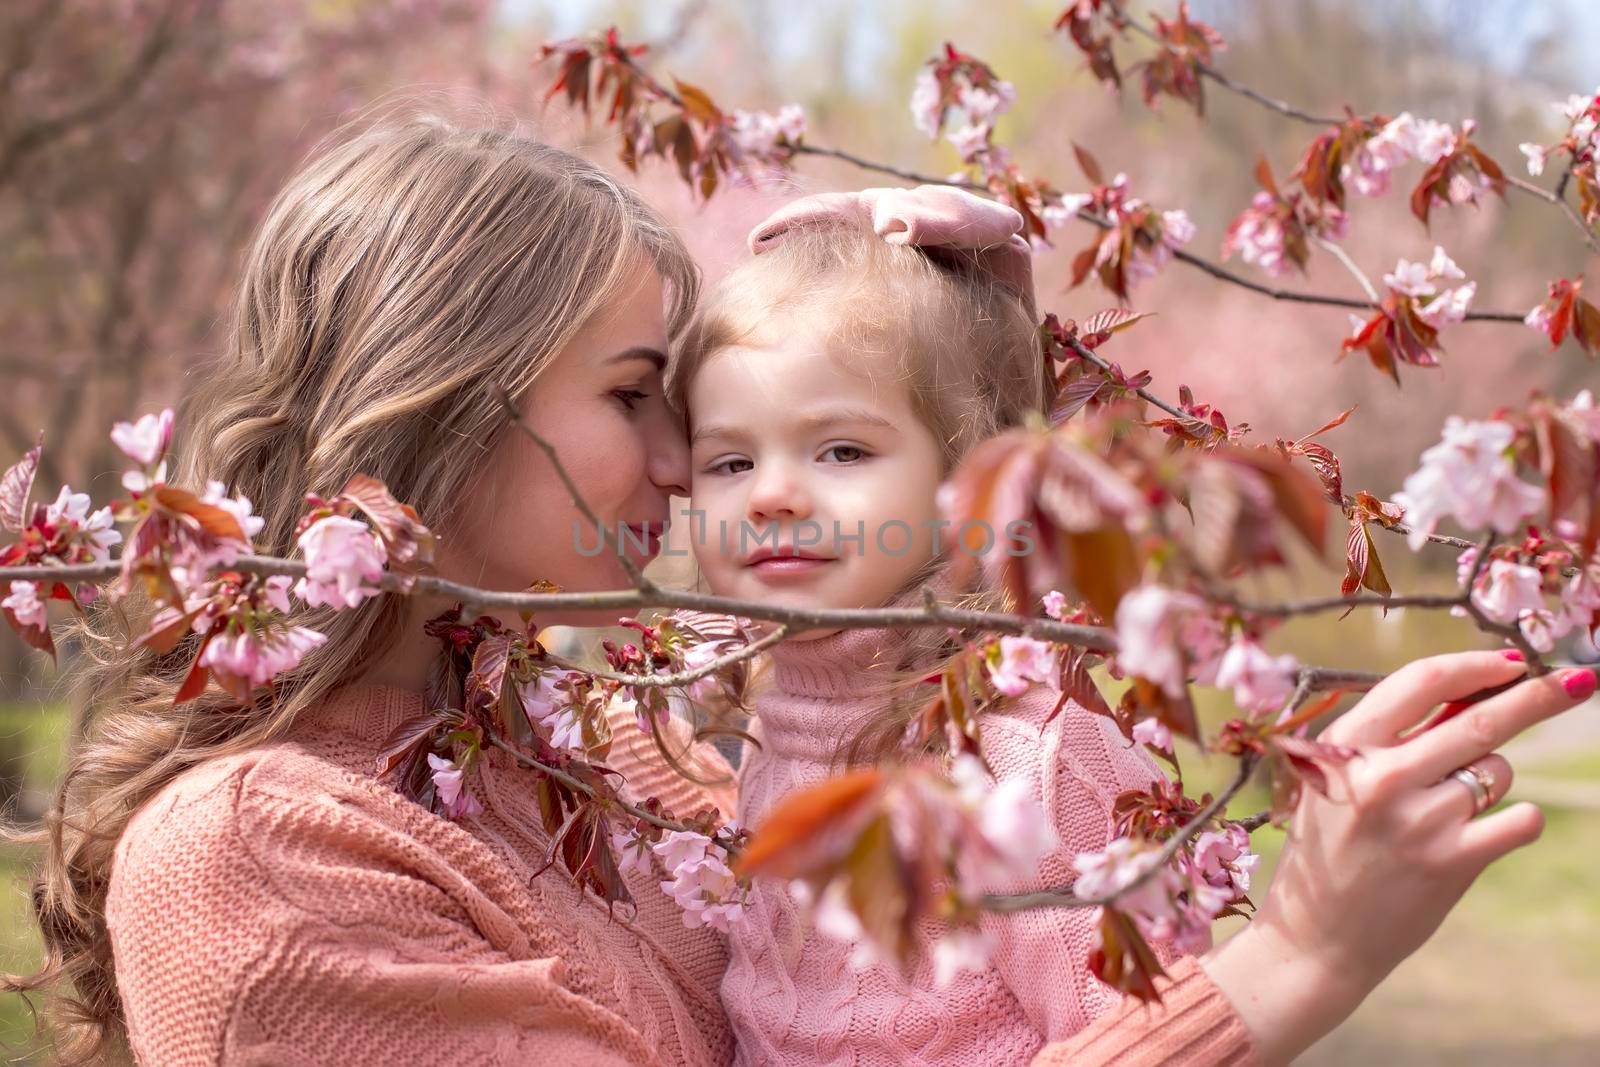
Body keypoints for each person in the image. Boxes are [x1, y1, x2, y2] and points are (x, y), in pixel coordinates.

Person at [3, 117, 1591, 1067]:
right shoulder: (267, 868)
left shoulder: (576, 736)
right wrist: (1283, 970)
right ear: (448, 404)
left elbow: (930, 829)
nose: (697, 467)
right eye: (641, 394)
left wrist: (960, 392)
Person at [669, 183, 1599, 1066]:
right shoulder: (767, 713)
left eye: (842, 449)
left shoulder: (1022, 752)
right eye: (729, 461)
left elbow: (1138, 1031)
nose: (773, 496)